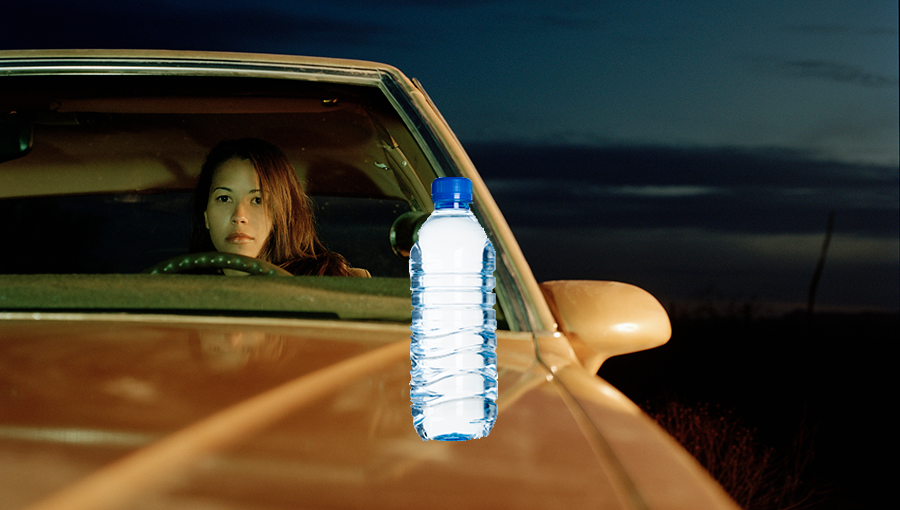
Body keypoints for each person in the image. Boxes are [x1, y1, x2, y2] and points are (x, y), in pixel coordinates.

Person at [189, 138, 359, 276]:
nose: (239, 216)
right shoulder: (176, 291)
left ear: (281, 213)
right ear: (206, 216)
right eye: (224, 198)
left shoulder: (330, 284)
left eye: (258, 200)